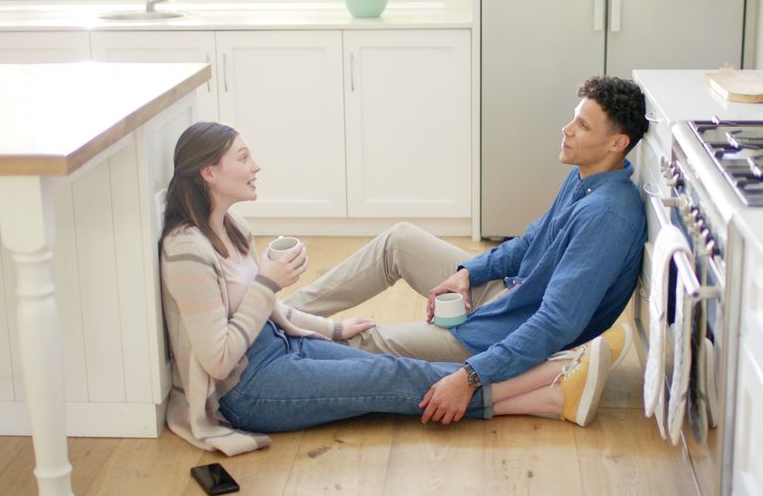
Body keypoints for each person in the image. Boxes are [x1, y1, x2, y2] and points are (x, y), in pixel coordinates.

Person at [159, 121, 614, 456]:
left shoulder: (232, 225)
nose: (256, 165)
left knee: (392, 368)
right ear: (208, 174)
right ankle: (549, 392)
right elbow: (219, 359)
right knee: (393, 378)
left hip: (278, 347)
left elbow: (266, 311)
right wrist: (266, 285)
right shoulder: (187, 249)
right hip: (249, 391)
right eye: (242, 157)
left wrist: (329, 329)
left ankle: (552, 393)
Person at [284, 75, 648, 424]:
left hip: (504, 331)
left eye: (583, 126)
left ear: (617, 143)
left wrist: (471, 375)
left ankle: (275, 346)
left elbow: (555, 323)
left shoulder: (608, 215)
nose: (567, 130)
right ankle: (280, 314)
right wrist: (468, 273)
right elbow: (528, 244)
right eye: (573, 118)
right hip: (509, 294)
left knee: (364, 339)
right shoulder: (585, 177)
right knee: (399, 241)